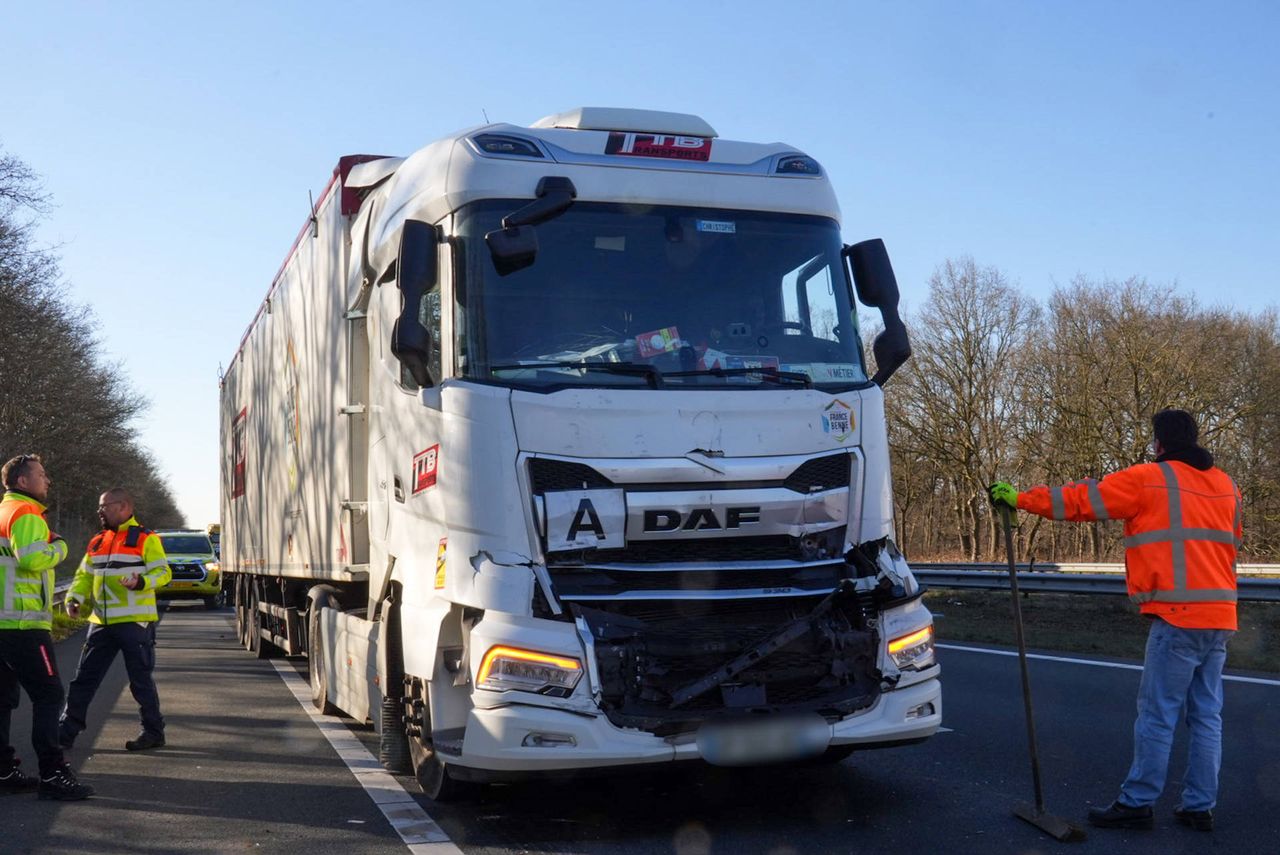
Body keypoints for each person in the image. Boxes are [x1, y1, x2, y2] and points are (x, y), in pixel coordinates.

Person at [989, 409, 1240, 832]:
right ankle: (1199, 807)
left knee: (1158, 714)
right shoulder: (1226, 485)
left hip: (1177, 617)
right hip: (1221, 616)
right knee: (1207, 716)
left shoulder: (1149, 477)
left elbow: (1081, 500)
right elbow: (1229, 545)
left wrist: (1021, 499)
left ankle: (1137, 801)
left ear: (1159, 444)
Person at [0, 454, 94, 800]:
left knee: (3, 700)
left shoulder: (3, 512)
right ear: (23, 482)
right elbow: (30, 559)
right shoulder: (26, 514)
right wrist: (60, 547)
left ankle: (3, 770)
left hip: (3, 624)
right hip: (23, 624)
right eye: (42, 474)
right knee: (49, 695)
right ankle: (53, 774)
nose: (48, 480)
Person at [60, 488, 171, 752]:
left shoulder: (146, 538)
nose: (100, 510)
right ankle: (65, 732)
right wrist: (73, 599)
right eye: (100, 506)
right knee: (83, 679)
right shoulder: (97, 541)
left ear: (123, 507)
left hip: (135, 623)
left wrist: (141, 581)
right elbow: (84, 576)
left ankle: (153, 732)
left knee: (140, 681)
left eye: (105, 506)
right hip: (101, 623)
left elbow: (163, 573)